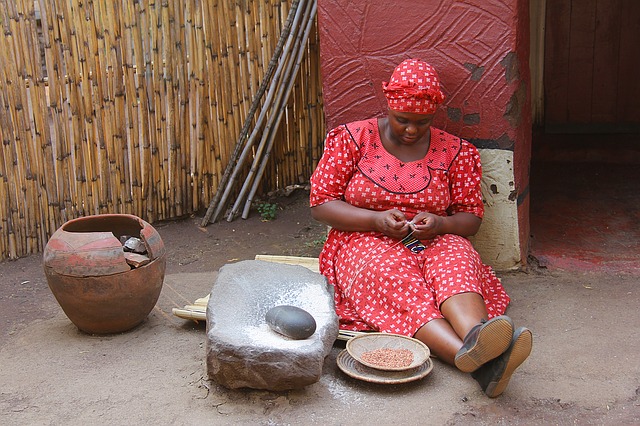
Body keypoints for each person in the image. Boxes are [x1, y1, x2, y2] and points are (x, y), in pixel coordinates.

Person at [310, 58, 532, 397]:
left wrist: (441, 223)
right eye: (403, 121)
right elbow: (322, 203)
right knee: (395, 279)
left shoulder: (456, 152)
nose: (411, 130)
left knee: (456, 259)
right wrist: (375, 219)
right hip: (363, 240)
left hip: (434, 238)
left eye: (422, 123)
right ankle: (472, 359)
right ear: (389, 107)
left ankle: (479, 336)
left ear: (434, 115)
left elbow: (470, 219)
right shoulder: (353, 140)